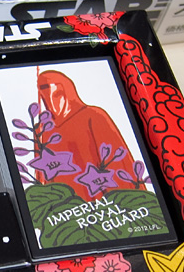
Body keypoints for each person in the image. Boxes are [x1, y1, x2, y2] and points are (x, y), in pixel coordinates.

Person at [35, 69, 138, 201]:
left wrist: (122, 201)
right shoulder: (44, 130)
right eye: (44, 95)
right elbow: (44, 178)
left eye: (57, 94)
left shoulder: (93, 116)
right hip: (69, 206)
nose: (51, 102)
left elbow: (118, 164)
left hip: (105, 202)